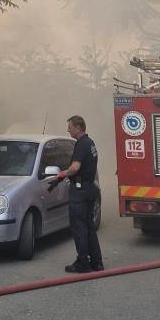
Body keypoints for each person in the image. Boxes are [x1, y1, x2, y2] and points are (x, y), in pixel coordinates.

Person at [56, 115, 104, 274]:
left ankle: (83, 262)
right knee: (89, 226)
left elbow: (75, 167)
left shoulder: (82, 144)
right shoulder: (90, 143)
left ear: (78, 128)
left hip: (80, 190)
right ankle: (97, 262)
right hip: (89, 188)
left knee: (79, 227)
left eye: (69, 127)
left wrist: (63, 173)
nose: (68, 130)